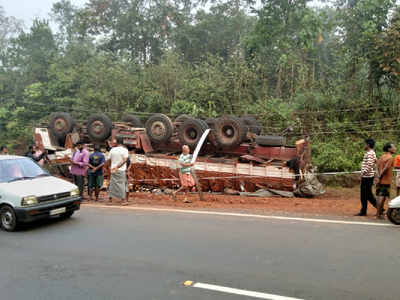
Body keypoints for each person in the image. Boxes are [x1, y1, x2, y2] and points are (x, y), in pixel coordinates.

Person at [355, 138, 377, 216]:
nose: (364, 145)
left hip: (367, 177)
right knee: (365, 195)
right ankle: (364, 211)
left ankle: (379, 208)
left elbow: (369, 165)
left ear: (368, 145)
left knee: (367, 195)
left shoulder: (370, 153)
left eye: (365, 144)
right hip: (367, 176)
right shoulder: (369, 153)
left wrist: (362, 174)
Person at [376, 143, 396, 219]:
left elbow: (377, 167)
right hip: (386, 180)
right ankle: (378, 214)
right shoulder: (390, 158)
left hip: (380, 180)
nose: (395, 148)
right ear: (389, 149)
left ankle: (378, 213)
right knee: (382, 197)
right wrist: (380, 176)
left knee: (379, 196)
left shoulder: (381, 157)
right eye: (393, 147)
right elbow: (386, 168)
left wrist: (378, 177)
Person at [108, 137, 129, 205]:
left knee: (112, 184)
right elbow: (125, 160)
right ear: (122, 143)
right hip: (121, 170)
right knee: (121, 185)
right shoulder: (124, 150)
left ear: (117, 142)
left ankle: (110, 200)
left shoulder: (112, 150)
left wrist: (110, 167)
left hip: (113, 169)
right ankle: (123, 201)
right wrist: (118, 167)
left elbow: (109, 160)